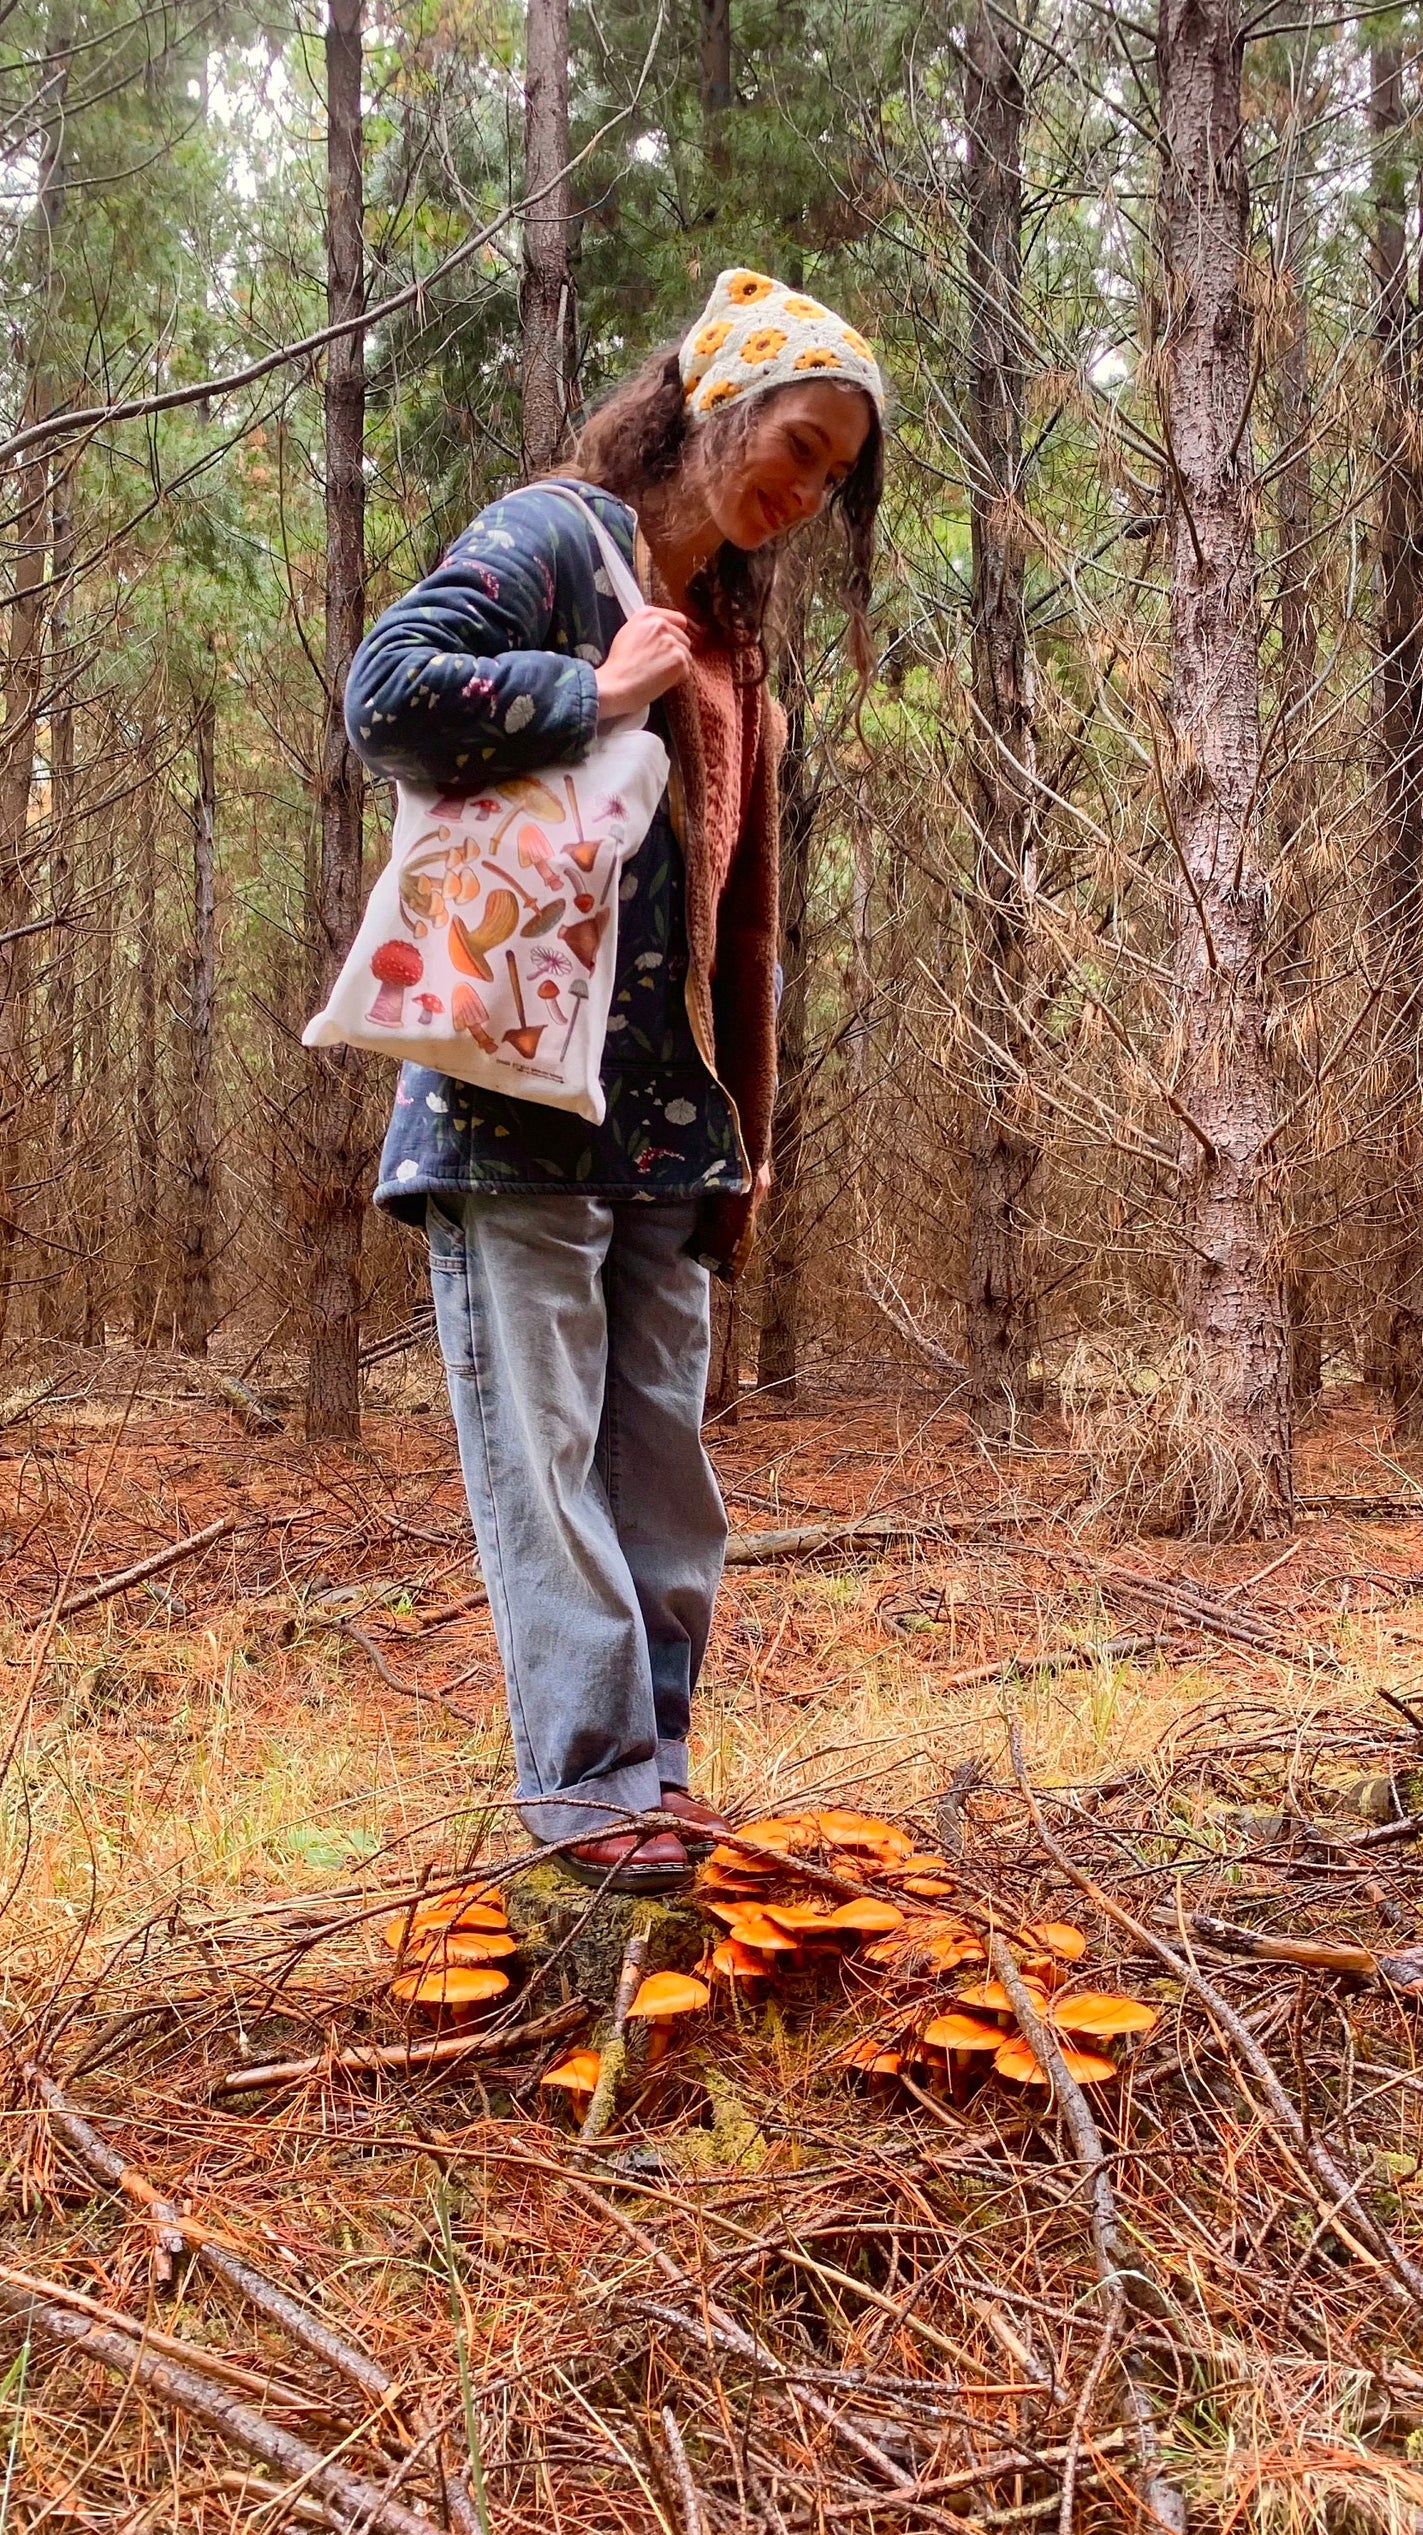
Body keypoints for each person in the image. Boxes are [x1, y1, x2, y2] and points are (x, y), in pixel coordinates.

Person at [345, 269, 885, 1889]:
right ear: (711, 402)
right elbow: (388, 695)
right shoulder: (554, 541)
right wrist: (590, 690)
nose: (797, 491)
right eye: (792, 444)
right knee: (546, 1461)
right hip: (511, 1108)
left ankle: (657, 1769)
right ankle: (588, 1797)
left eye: (829, 478)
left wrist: (753, 1140)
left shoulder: (730, 640)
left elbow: (744, 929)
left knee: (661, 1467)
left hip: (669, 1126)